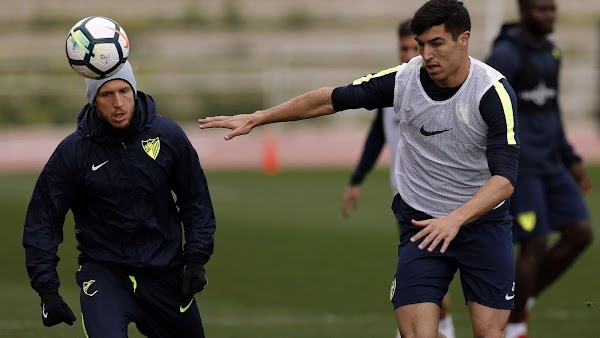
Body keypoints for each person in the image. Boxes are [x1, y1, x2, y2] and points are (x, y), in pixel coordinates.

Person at [200, 1, 520, 336]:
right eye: (421, 44)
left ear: (463, 39)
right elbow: (330, 99)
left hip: (482, 224)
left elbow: (505, 179)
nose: (426, 54)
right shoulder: (404, 80)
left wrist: (455, 219)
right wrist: (260, 117)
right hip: (422, 220)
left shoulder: (491, 92)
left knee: (488, 333)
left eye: (436, 44)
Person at [23, 61, 216, 338]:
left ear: (134, 91)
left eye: (124, 91)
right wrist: (47, 290)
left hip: (165, 274)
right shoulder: (73, 153)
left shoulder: (168, 136)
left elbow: (195, 200)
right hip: (105, 275)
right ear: (93, 101)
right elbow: (43, 220)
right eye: (106, 94)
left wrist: (196, 259)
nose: (118, 103)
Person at [340, 19, 455, 338]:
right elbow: (378, 134)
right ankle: (439, 327)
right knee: (428, 281)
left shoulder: (440, 86)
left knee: (431, 280)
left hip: (445, 199)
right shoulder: (395, 84)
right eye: (404, 47)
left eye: (413, 47)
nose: (408, 53)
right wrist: (356, 180)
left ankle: (435, 326)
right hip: (408, 200)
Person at [485, 1, 593, 337]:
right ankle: (515, 327)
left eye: (552, 9)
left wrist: (571, 159)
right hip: (522, 167)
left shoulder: (552, 54)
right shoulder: (505, 55)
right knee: (534, 243)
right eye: (541, 9)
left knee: (580, 232)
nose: (549, 16)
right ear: (523, 10)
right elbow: (484, 104)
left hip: (552, 164)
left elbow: (552, 110)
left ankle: (522, 301)